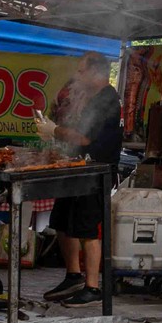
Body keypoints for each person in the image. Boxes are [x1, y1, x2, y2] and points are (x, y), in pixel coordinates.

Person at [38, 52, 123, 306]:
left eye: (82, 71)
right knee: (62, 222)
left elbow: (85, 139)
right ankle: (73, 275)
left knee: (87, 228)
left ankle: (93, 286)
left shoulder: (107, 99)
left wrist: (55, 130)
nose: (78, 75)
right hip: (76, 166)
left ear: (97, 72)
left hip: (96, 171)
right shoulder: (89, 97)